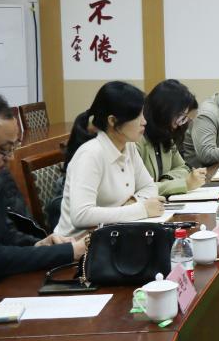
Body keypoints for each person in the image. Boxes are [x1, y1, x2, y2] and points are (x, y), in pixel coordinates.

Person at [0, 88, 85, 283]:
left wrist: (39, 245)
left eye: (13, 147)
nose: (10, 158)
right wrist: (69, 252)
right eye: (3, 149)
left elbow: (7, 235)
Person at [55, 82, 163, 238]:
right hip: (79, 245)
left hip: (114, 236)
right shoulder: (91, 154)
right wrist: (140, 209)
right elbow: (81, 215)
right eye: (137, 116)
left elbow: (149, 187)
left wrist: (133, 202)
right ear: (112, 121)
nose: (144, 121)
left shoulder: (129, 146)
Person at [136, 80, 207, 197]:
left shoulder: (166, 135)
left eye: (184, 118)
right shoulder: (136, 141)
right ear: (163, 111)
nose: (180, 124)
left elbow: (184, 168)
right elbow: (139, 190)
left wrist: (167, 179)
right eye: (180, 116)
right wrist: (184, 184)